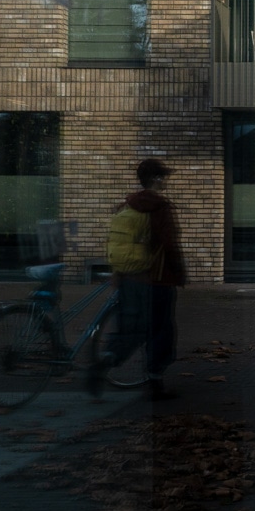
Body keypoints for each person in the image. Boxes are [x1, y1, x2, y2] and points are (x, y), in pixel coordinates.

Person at [88, 157, 187, 400]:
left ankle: (105, 362)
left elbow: (122, 243)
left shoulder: (128, 205)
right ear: (155, 179)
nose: (165, 182)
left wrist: (118, 273)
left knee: (129, 330)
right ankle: (155, 384)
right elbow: (168, 243)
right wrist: (179, 271)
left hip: (130, 278)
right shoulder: (159, 207)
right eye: (163, 177)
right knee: (160, 330)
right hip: (157, 280)